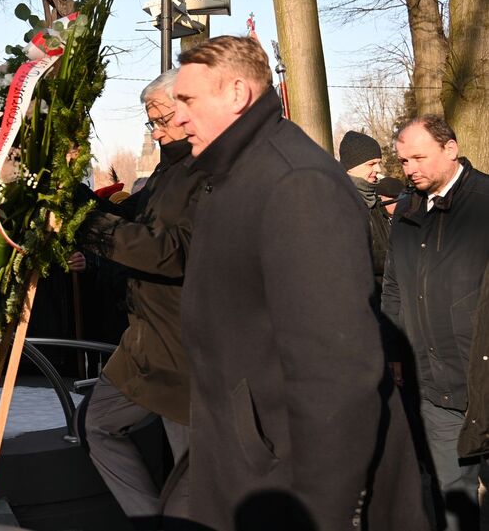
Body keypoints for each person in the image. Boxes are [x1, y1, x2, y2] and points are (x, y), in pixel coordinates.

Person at [106, 36, 426, 529]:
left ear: (236, 94)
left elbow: (337, 373)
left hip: (288, 479)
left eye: (188, 101)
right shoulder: (231, 174)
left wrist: (319, 508)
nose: (178, 119)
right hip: (245, 454)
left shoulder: (296, 184)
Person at [78, 68, 195, 528]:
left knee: (194, 472)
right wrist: (72, 199)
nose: (156, 130)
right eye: (151, 121)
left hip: (184, 346)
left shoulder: (206, 171)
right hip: (145, 337)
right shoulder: (167, 168)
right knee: (98, 424)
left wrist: (90, 227)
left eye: (162, 118)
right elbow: (131, 216)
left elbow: (168, 251)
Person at [382, 115, 489, 530]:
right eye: (403, 160)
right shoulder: (407, 210)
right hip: (435, 389)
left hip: (483, 378)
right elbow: (393, 288)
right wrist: (394, 352)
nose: (410, 168)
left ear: (450, 149)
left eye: (418, 157)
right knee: (452, 501)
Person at [339, 130, 392, 287]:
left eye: (379, 163)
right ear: (350, 167)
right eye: (371, 164)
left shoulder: (373, 200)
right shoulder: (340, 202)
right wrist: (398, 258)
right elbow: (348, 258)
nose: (378, 169)